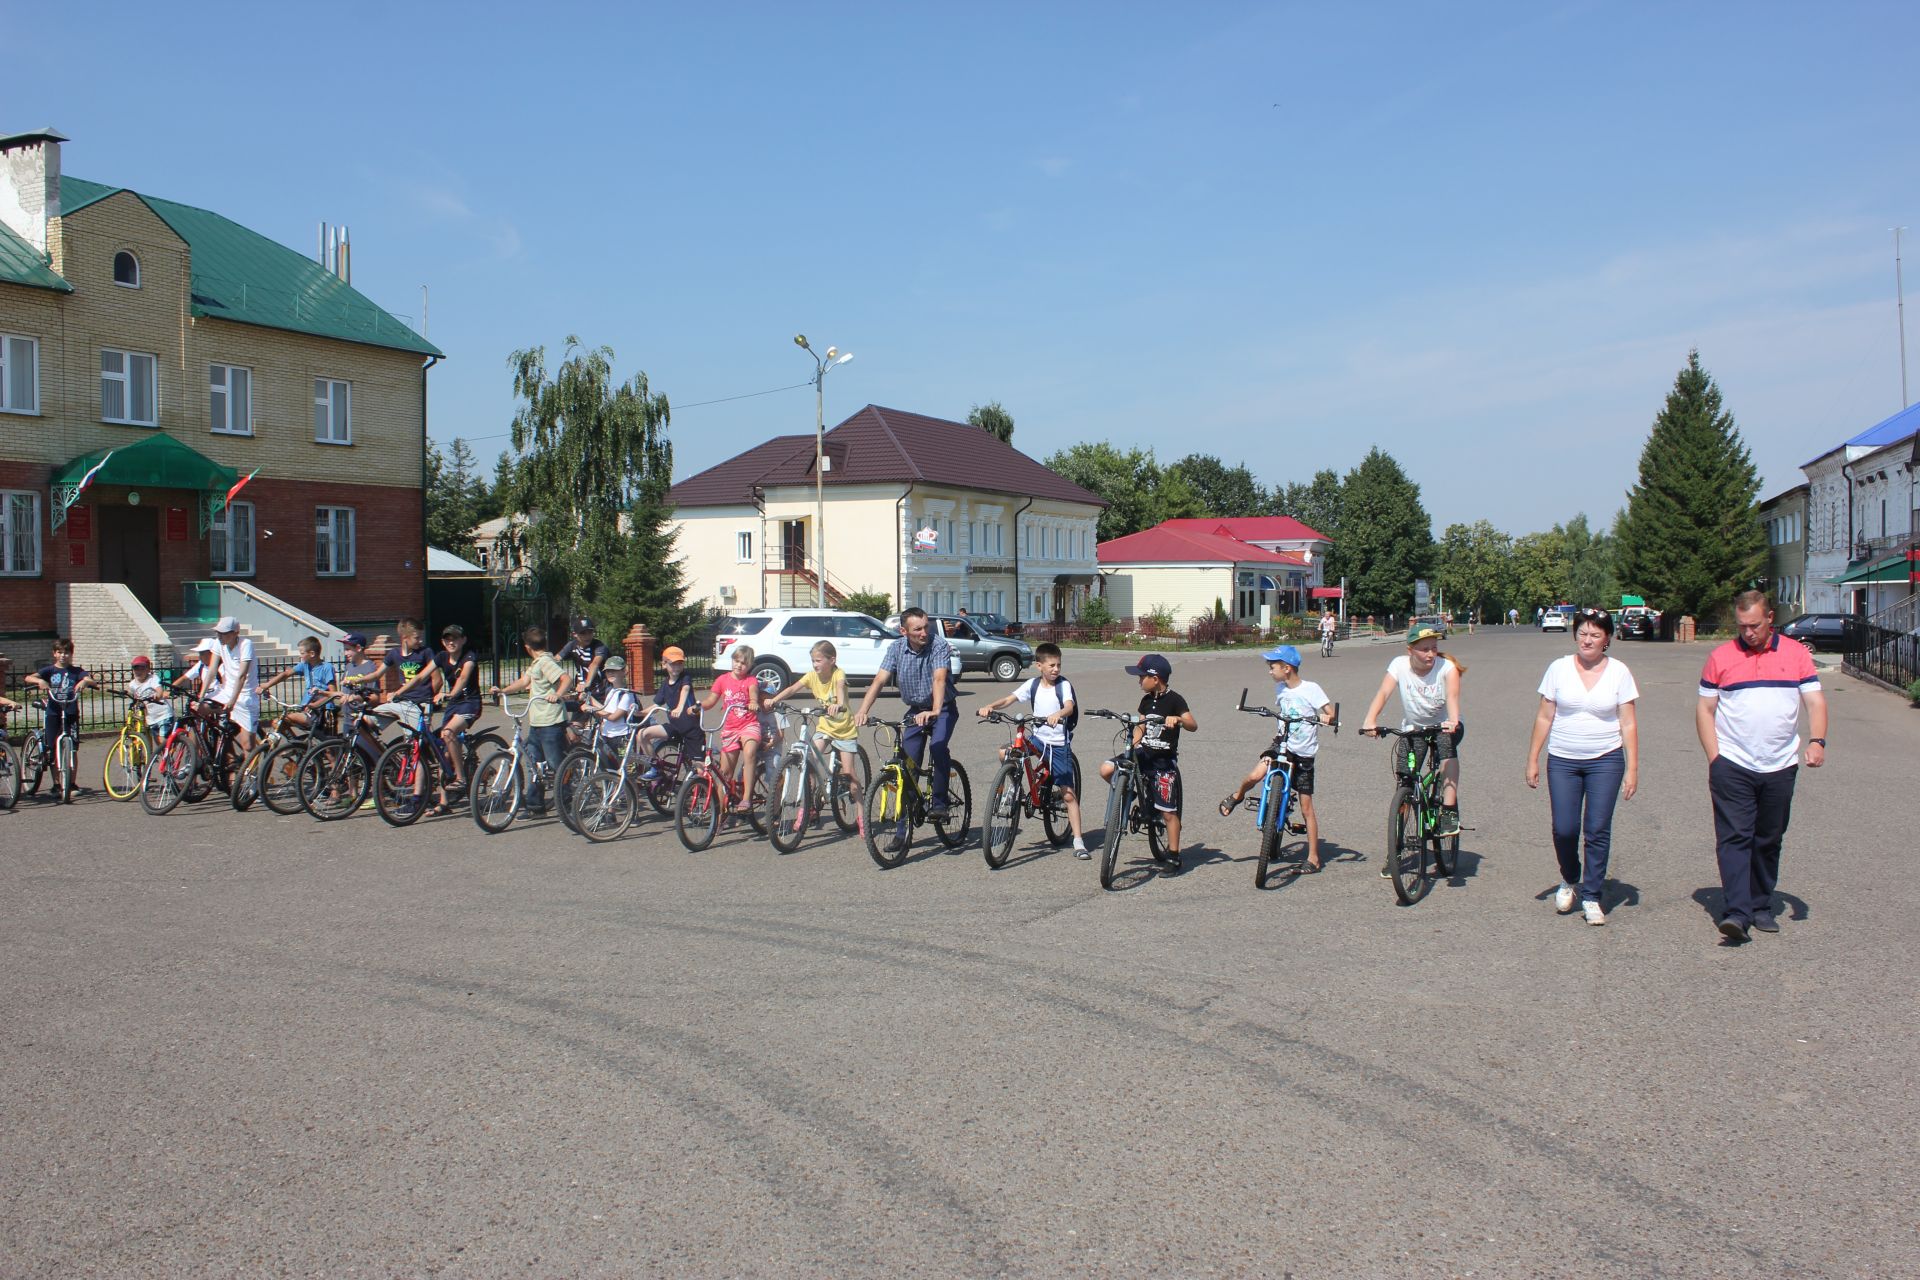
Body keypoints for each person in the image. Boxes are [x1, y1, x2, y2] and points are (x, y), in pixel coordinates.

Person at [1697, 590, 1827, 942]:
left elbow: (1814, 701)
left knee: (1768, 838)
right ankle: (1737, 913)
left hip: (1780, 764)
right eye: (1742, 626)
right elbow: (1705, 710)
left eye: (1754, 625)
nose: (1748, 632)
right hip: (1733, 763)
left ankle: (1760, 905)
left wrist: (1817, 740)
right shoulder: (1721, 657)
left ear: (1770, 618)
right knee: (1735, 837)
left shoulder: (1797, 655)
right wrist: (1716, 758)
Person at [1525, 607, 1639, 925]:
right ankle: (1571, 876)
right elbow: (1544, 716)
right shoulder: (1558, 669)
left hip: (1606, 759)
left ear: (1607, 640)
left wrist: (1632, 768)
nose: (1586, 640)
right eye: (1582, 633)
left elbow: (1628, 723)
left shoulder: (1619, 673)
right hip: (1563, 759)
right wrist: (1533, 758)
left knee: (1597, 830)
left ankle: (1591, 896)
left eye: (1595, 635)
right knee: (1565, 829)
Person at [1220, 644, 1334, 873]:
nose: (1270, 671)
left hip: (1304, 753)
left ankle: (1313, 858)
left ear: (1287, 668)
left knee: (1306, 806)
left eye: (1273, 667)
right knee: (1254, 775)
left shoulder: (1312, 689)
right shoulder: (1280, 689)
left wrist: (1326, 718)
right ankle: (1237, 795)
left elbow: (1330, 713)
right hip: (1281, 744)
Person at [1360, 623, 1466, 856]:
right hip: (1414, 728)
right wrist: (1370, 720)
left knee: (1447, 750)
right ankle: (1394, 852)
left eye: (1434, 648)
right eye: (1424, 649)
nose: (1430, 654)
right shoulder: (1398, 665)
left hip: (1445, 725)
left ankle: (1448, 810)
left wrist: (1454, 720)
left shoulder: (1447, 667)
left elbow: (1452, 696)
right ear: (1410, 650)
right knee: (1405, 785)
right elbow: (1383, 692)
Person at [977, 640, 1087, 857]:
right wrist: (990, 706)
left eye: (1058, 665)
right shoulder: (1033, 685)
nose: (1056, 670)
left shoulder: (1063, 686)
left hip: (1057, 744)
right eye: (1051, 666)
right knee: (1004, 752)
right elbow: (1010, 699)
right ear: (1039, 666)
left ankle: (1078, 841)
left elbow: (1069, 706)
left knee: (1068, 795)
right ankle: (1012, 785)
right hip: (1038, 739)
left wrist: (1059, 714)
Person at [854, 607, 959, 818]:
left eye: (925, 627)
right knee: (906, 765)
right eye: (917, 629)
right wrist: (863, 711)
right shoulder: (896, 648)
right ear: (904, 631)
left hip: (943, 708)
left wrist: (935, 710)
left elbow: (939, 679)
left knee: (937, 747)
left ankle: (940, 802)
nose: (923, 633)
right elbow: (879, 680)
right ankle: (902, 833)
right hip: (915, 711)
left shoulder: (937, 645)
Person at [1099, 652, 1196, 860]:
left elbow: (1192, 724)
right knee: (1107, 769)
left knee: (1169, 813)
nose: (1139, 681)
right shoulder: (1145, 700)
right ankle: (1129, 793)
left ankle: (1173, 856)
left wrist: (1177, 719)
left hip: (1163, 759)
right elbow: (1140, 728)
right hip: (1143, 753)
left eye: (1141, 677)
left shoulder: (1175, 700)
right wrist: (1133, 747)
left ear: (1155, 678)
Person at [767, 640, 866, 821]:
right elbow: (792, 689)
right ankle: (810, 805)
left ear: (832, 660)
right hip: (825, 727)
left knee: (850, 774)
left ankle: (861, 814)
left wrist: (839, 704)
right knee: (809, 760)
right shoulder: (811, 676)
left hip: (844, 730)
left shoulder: (838, 674)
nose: (815, 664)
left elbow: (841, 691)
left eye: (819, 660)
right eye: (813, 661)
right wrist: (774, 699)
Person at [489, 627, 572, 816]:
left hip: (551, 721)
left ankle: (567, 803)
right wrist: (504, 691)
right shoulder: (536, 664)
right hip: (537, 722)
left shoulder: (545, 662)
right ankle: (535, 806)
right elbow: (524, 681)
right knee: (534, 763)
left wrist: (557, 694)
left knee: (555, 765)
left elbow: (566, 679)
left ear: (527, 647)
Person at [702, 644, 765, 801]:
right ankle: (721, 813)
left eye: (743, 663)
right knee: (725, 773)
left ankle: (746, 798)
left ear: (749, 665)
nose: (739, 665)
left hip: (749, 725)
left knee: (750, 752)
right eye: (736, 661)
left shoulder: (751, 680)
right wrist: (697, 707)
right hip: (730, 728)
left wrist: (753, 702)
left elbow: (753, 694)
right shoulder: (722, 680)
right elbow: (711, 700)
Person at [23, 638, 95, 770]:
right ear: (54, 654)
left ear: (71, 654)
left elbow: (91, 680)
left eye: (66, 653)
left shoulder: (76, 671)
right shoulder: (50, 670)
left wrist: (85, 681)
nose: (63, 655)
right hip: (53, 710)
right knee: (52, 748)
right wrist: (40, 682)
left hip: (70, 711)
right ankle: (56, 784)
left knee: (72, 748)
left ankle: (71, 784)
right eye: (59, 652)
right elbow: (28, 678)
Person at [433, 624, 482, 798]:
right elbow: (421, 676)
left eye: (455, 638)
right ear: (442, 641)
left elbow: (463, 677)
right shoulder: (441, 657)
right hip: (453, 704)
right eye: (447, 638)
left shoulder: (469, 657)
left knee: (447, 733)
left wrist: (450, 694)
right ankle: (443, 802)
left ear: (463, 640)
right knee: (441, 751)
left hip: (470, 703)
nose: (451, 642)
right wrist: (400, 692)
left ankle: (461, 778)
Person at [639, 646, 702, 780]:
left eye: (679, 664)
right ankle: (655, 767)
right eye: (672, 664)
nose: (676, 667)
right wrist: (640, 713)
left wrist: (680, 707)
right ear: (664, 664)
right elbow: (656, 705)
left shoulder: (685, 678)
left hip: (691, 729)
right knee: (642, 735)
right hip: (675, 726)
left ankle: (706, 785)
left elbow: (685, 690)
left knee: (700, 769)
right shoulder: (665, 683)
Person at [259, 636, 334, 732]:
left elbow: (333, 693)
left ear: (312, 654)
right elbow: (286, 674)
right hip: (307, 709)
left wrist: (315, 704)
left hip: (321, 710)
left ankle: (296, 745)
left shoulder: (326, 667)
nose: (300, 656)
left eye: (302, 653)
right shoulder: (305, 665)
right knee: (277, 723)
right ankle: (296, 745)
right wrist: (267, 685)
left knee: (279, 721)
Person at [211, 616, 261, 754]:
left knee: (248, 746)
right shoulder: (218, 643)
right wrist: (201, 696)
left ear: (235, 633)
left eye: (223, 633)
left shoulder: (246, 644)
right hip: (227, 692)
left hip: (245, 696)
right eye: (218, 633)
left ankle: (252, 773)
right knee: (200, 708)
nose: (219, 636)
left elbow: (242, 675)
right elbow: (211, 670)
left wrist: (232, 701)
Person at [561, 616, 609, 733]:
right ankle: (582, 750)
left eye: (590, 632)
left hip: (601, 692)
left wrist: (586, 684)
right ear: (575, 634)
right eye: (583, 633)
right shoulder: (572, 646)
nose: (588, 636)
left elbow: (595, 663)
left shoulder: (598, 646)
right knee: (575, 731)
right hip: (583, 695)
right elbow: (556, 659)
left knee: (604, 729)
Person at [125, 656, 172, 747]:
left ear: (148, 669)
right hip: (151, 718)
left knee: (162, 740)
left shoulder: (153, 679)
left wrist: (157, 695)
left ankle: (168, 757)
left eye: (142, 668)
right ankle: (166, 758)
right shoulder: (133, 684)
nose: (138, 671)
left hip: (163, 715)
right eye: (136, 668)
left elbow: (159, 689)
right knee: (158, 741)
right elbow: (130, 692)